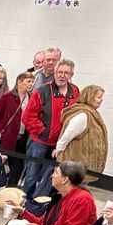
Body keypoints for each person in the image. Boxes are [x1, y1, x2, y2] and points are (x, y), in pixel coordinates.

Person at [21, 58, 80, 195]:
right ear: (54, 73)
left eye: (66, 73)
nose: (62, 75)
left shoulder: (75, 92)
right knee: (32, 175)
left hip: (61, 145)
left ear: (71, 75)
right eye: (59, 72)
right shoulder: (43, 91)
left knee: (54, 178)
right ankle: (25, 203)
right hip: (39, 143)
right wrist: (42, 131)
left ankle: (44, 205)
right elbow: (28, 116)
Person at [21, 160, 99, 225]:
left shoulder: (82, 198)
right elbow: (44, 222)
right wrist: (22, 213)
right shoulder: (60, 197)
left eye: (56, 172)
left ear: (65, 179)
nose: (52, 175)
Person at [52, 82, 111, 176]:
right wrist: (59, 149)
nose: (101, 100)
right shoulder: (82, 115)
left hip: (82, 165)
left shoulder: (91, 114)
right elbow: (68, 134)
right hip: (75, 165)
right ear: (90, 97)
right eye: (99, 97)